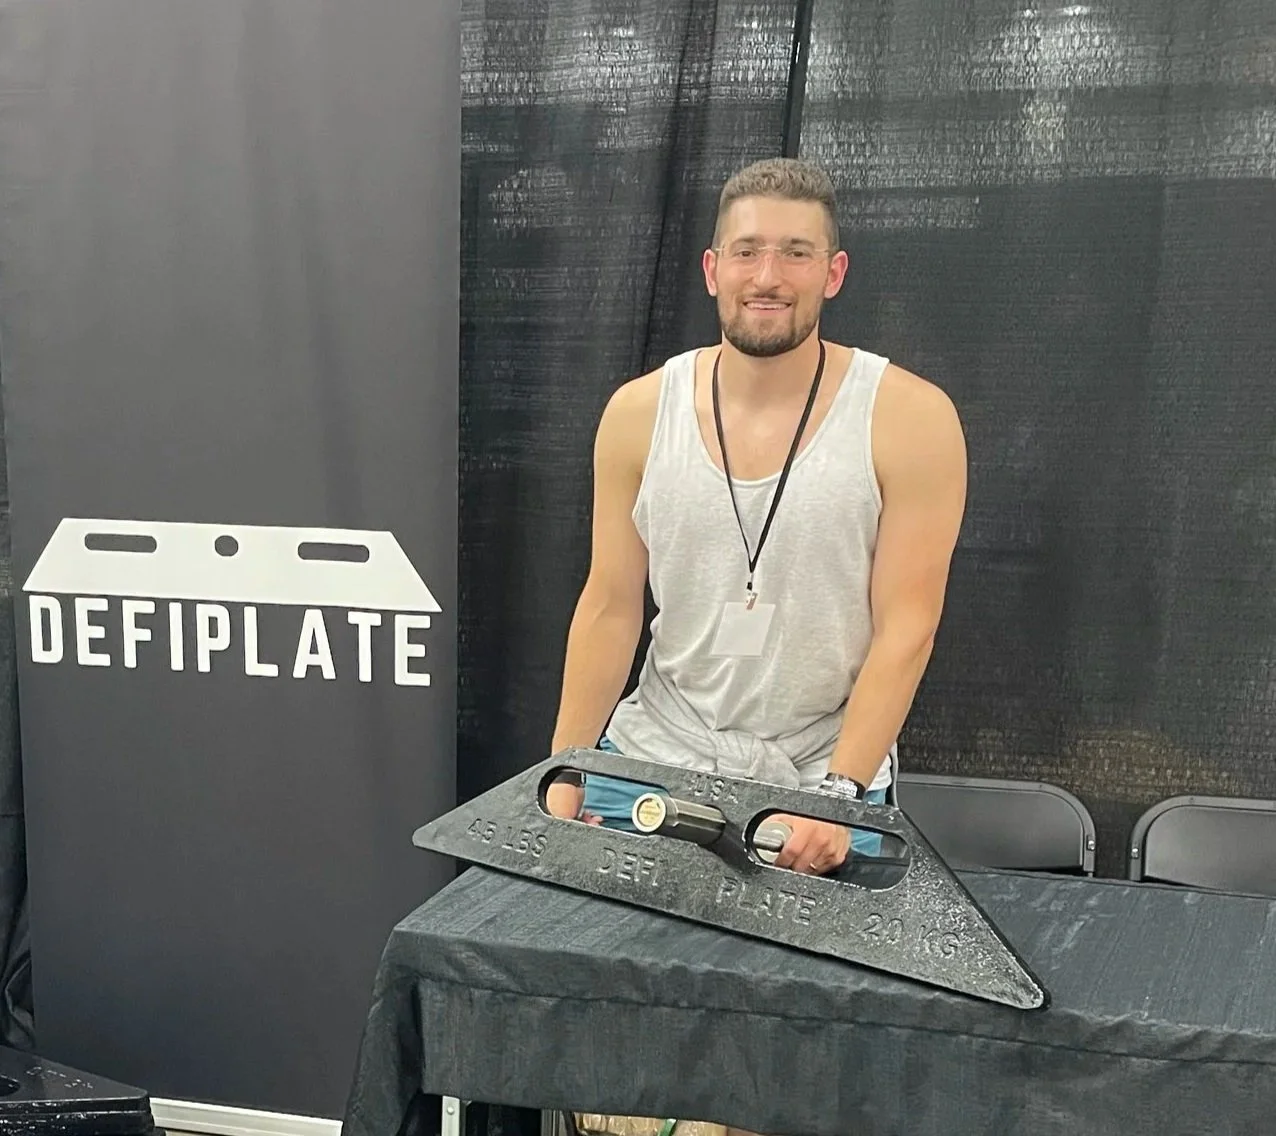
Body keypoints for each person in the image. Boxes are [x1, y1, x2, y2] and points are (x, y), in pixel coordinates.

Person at [545, 156, 967, 882]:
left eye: (796, 253)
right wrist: (561, 771)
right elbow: (610, 605)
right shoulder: (638, 414)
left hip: (815, 785)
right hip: (649, 766)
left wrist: (840, 796)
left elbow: (909, 625)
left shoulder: (909, 419)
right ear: (713, 270)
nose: (767, 276)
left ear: (833, 273)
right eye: (747, 252)